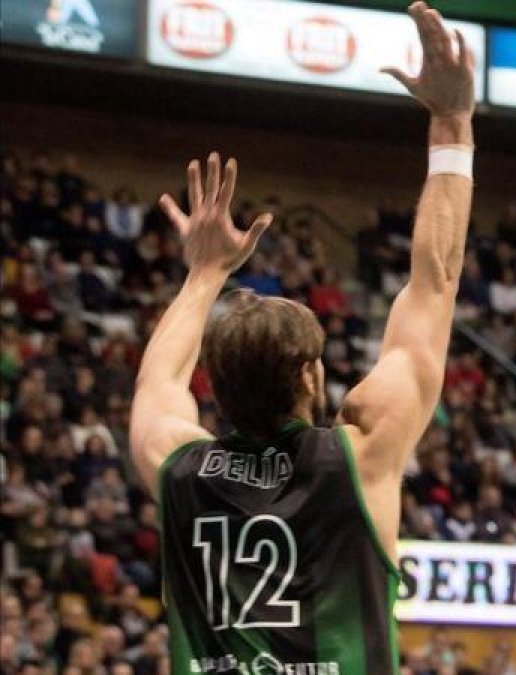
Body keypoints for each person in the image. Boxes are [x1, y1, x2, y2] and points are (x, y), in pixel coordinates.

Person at [127, 3, 475, 671]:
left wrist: (203, 273)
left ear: (217, 389)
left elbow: (158, 383)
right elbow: (435, 283)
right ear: (311, 376)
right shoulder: (359, 455)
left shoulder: (178, 467)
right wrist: (451, 124)